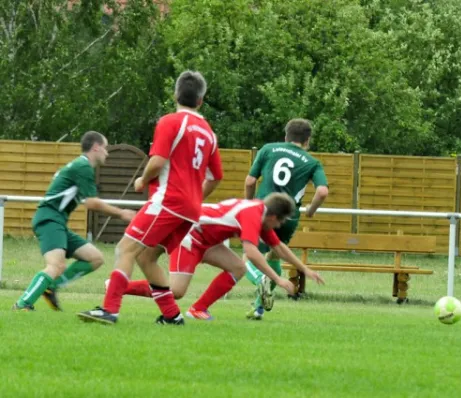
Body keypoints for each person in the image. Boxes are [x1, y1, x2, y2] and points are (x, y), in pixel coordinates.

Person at [78, 70, 223, 325]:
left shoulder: (170, 122)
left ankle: (110, 310)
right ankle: (172, 316)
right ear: (201, 100)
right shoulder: (209, 133)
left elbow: (157, 162)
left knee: (125, 248)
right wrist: (193, 197)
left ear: (175, 94)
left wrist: (143, 180)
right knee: (146, 257)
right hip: (190, 209)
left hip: (168, 201)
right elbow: (216, 177)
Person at [120, 193, 324, 320]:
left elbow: (277, 247)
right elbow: (251, 252)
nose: (279, 226)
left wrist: (304, 269)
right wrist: (277, 279)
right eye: (280, 222)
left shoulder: (260, 214)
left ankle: (198, 309)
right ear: (273, 217)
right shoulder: (253, 215)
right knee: (176, 291)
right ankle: (119, 286)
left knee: (238, 268)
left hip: (206, 240)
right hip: (189, 235)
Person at [12, 131, 137, 311]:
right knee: (56, 265)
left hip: (57, 221)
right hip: (49, 218)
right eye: (105, 148)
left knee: (95, 258)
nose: (107, 153)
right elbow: (92, 203)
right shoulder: (83, 167)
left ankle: (51, 287)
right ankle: (23, 304)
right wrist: (121, 213)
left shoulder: (80, 166)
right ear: (96, 147)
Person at [243, 118, 328, 320]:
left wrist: (247, 205)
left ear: (286, 136)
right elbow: (322, 191)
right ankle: (258, 308)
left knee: (247, 258)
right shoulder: (312, 162)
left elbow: (250, 181)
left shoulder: (268, 149)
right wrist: (311, 211)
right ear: (307, 141)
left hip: (262, 211)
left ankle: (259, 280)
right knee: (274, 255)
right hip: (288, 217)